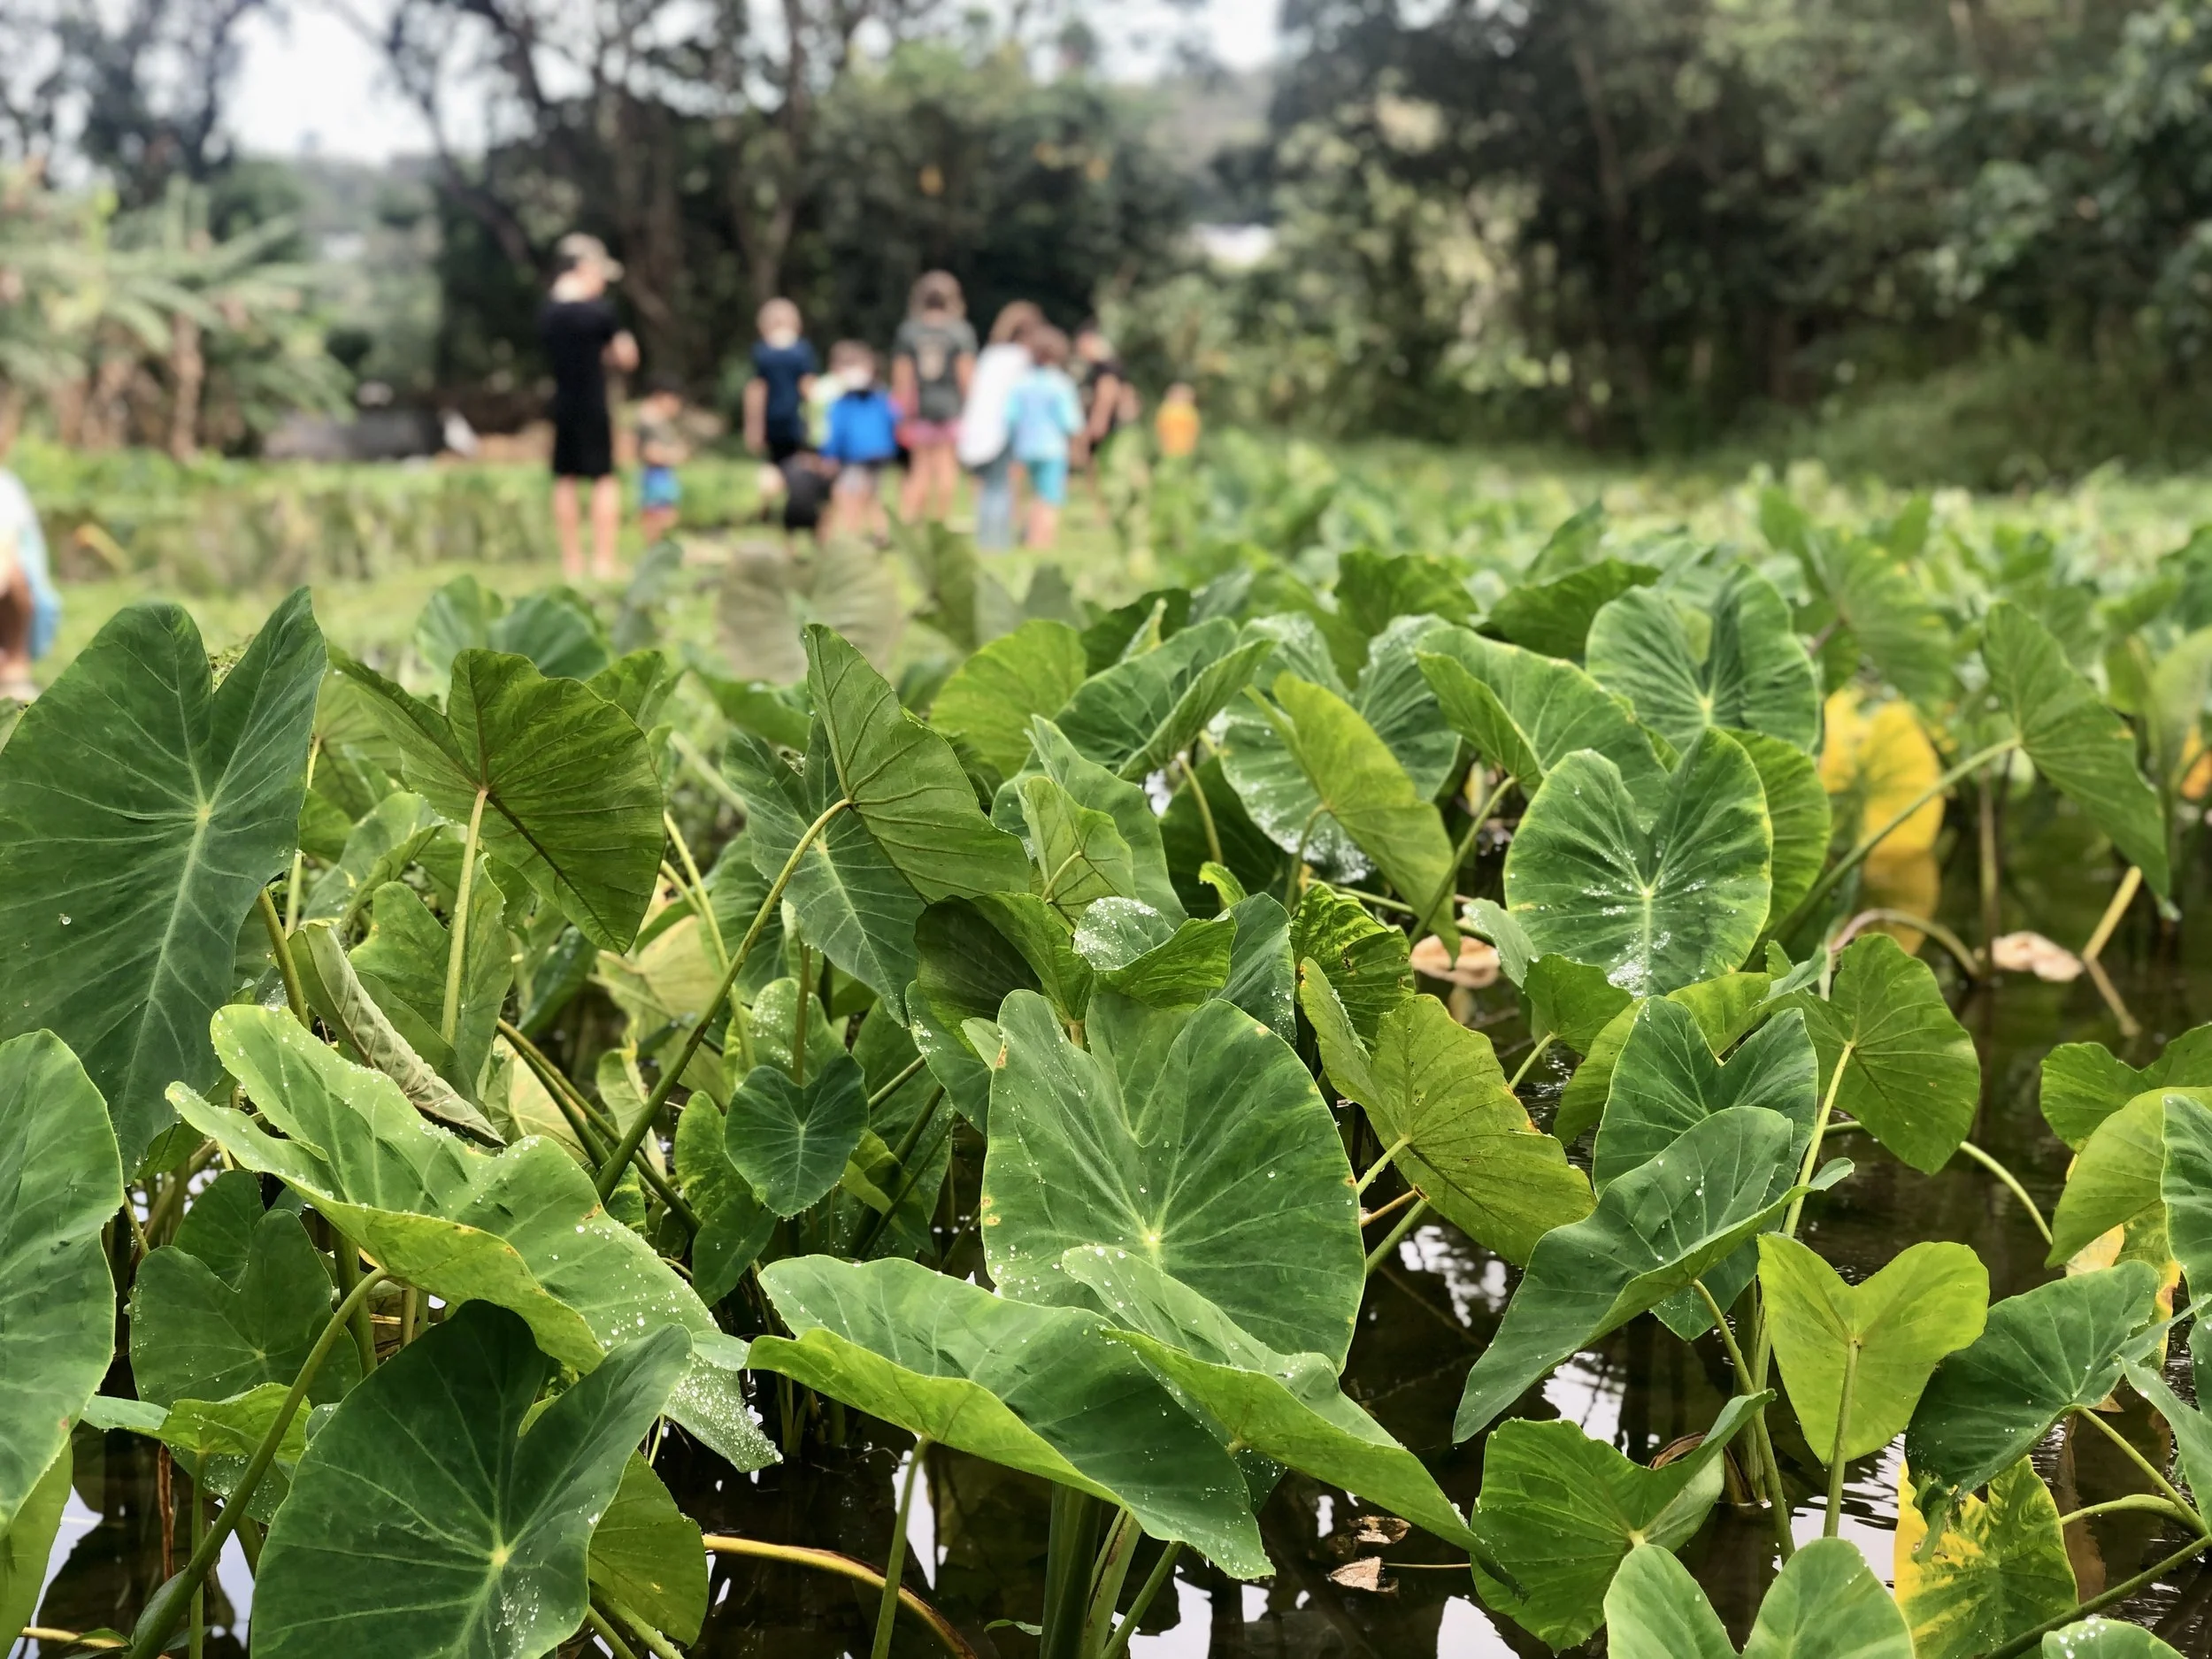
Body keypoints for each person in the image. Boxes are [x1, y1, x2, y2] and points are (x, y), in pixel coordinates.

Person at [540, 233, 638, 580]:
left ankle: (572, 563)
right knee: (604, 479)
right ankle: (603, 561)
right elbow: (626, 357)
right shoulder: (600, 313)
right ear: (583, 268)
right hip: (594, 404)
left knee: (564, 479)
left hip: (562, 404)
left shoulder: (549, 312)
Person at [891, 271, 978, 524]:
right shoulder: (960, 332)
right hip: (950, 407)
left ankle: (909, 523)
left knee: (919, 468)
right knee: (946, 467)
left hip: (920, 409)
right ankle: (940, 522)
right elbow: (966, 377)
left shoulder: (909, 331)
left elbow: (902, 378)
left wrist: (902, 414)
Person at [957, 300, 1042, 551]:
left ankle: (985, 539)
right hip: (1002, 430)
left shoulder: (991, 355)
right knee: (1000, 486)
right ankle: (999, 543)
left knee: (987, 488)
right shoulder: (1021, 359)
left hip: (977, 430)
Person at [1006, 326, 1084, 550]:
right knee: (1049, 496)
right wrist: (1078, 447)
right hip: (1052, 448)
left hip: (1024, 446)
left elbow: (1010, 416)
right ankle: (1042, 542)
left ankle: (1030, 536)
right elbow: (1071, 422)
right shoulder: (1060, 384)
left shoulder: (1021, 382)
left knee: (1032, 494)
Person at [820, 341, 900, 540]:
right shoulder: (876, 396)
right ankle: (874, 533)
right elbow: (896, 418)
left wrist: (829, 455)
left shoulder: (850, 400)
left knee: (852, 495)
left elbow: (836, 432)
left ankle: (857, 534)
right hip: (873, 454)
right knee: (869, 494)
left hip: (859, 456)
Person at [0, 465, 59, 703]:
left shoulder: (5, 488)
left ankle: (14, 670)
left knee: (14, 576)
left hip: (26, 611)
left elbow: (4, 563)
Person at [743, 298, 818, 463]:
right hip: (797, 420)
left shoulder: (761, 352)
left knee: (776, 462)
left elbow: (756, 391)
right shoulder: (802, 351)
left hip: (773, 421)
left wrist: (753, 427)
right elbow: (808, 387)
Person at [1073, 322, 1133, 491]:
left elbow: (1107, 394)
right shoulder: (1112, 364)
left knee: (1101, 464)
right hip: (1115, 422)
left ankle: (1099, 498)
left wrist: (1098, 422)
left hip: (1108, 422)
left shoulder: (1104, 367)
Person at [634, 375, 688, 542]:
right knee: (657, 519)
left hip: (664, 478)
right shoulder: (649, 422)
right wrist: (674, 454)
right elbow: (650, 452)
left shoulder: (660, 422)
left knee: (667, 518)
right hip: (655, 479)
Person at [1155, 381, 1201, 461]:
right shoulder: (1166, 410)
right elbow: (1162, 429)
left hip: (1185, 447)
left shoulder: (1190, 411)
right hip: (1170, 447)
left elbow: (1194, 429)